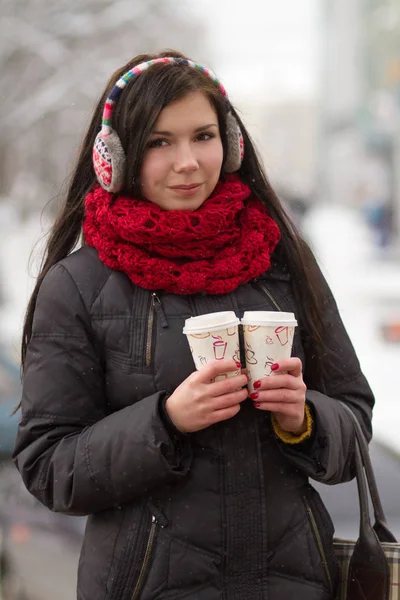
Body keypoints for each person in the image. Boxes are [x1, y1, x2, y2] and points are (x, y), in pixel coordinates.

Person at [13, 50, 374, 600]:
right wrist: (166, 422)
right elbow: (50, 469)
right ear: (117, 154)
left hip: (293, 583)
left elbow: (354, 422)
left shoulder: (285, 262)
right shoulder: (78, 286)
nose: (188, 162)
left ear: (230, 145)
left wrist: (304, 417)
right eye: (160, 142)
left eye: (203, 136)